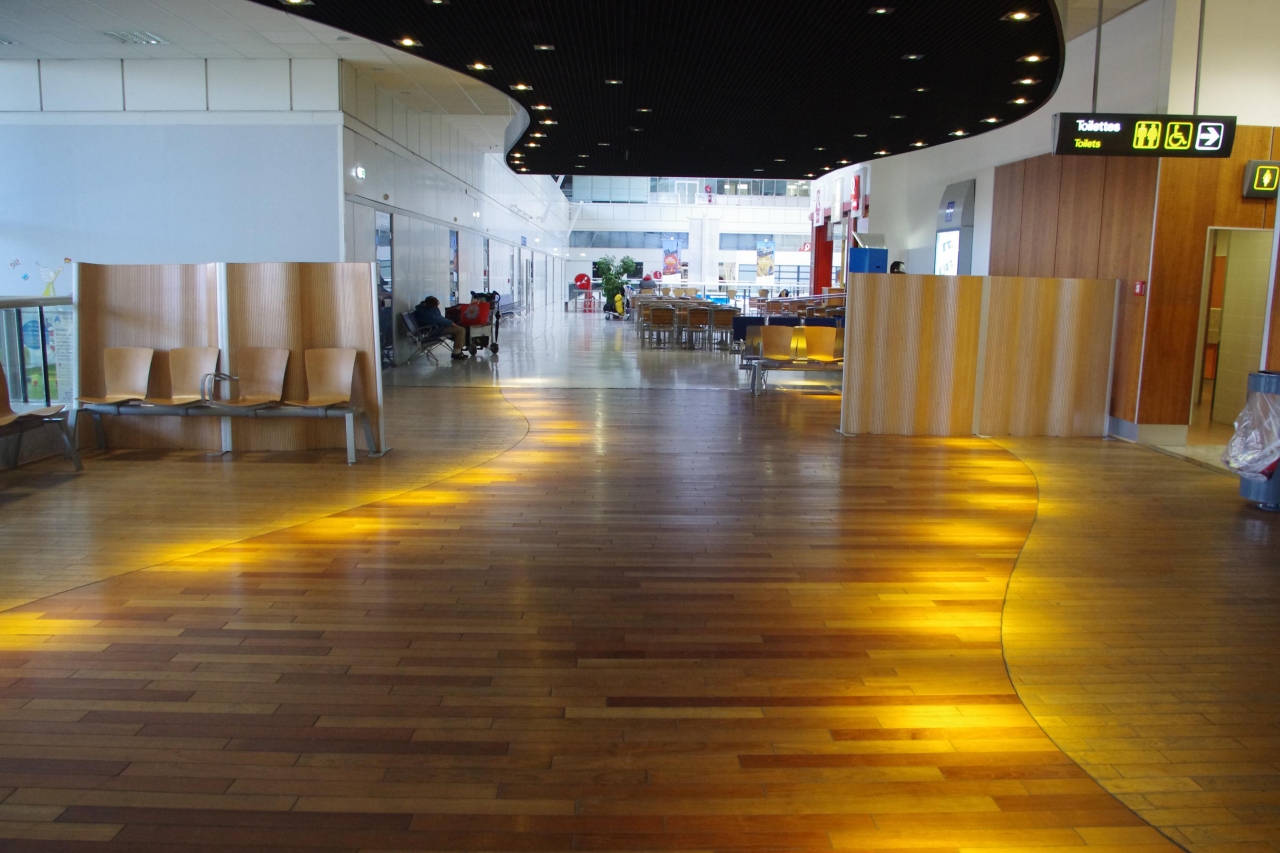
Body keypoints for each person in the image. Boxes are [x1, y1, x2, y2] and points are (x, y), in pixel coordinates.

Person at [413, 295, 468, 360]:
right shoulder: (424, 312)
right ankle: (456, 353)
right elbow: (437, 319)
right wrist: (450, 323)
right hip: (434, 330)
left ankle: (458, 350)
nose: (436, 307)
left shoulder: (429, 308)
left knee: (461, 329)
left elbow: (439, 318)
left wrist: (450, 322)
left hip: (438, 327)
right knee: (460, 330)